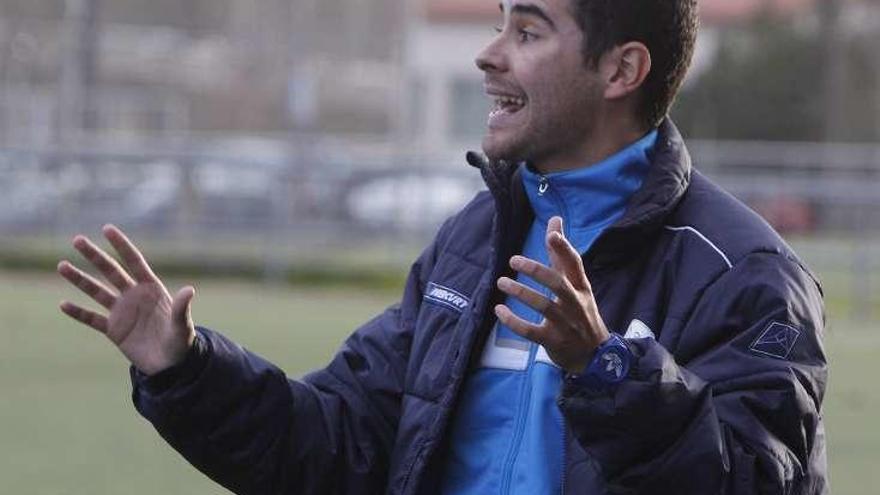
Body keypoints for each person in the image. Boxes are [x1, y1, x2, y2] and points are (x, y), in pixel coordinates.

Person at [57, 0, 828, 493]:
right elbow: (338, 445)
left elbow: (757, 480)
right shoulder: (470, 244)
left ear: (621, 69)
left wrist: (607, 370)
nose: (488, 54)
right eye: (499, 25)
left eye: (526, 31)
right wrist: (187, 372)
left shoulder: (745, 273)